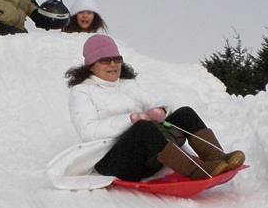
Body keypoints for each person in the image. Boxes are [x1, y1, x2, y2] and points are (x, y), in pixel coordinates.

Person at [47, 34, 245, 190]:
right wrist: (131, 119)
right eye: (105, 60)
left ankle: (218, 158)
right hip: (115, 162)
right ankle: (198, 171)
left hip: (149, 154)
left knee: (184, 113)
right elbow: (88, 131)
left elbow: (157, 100)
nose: (113, 64)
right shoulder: (82, 92)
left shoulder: (127, 85)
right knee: (143, 128)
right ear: (91, 65)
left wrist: (159, 110)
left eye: (117, 59)